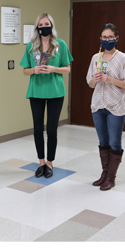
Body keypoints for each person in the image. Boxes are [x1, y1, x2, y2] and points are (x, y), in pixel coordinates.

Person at [20, 13, 74, 179]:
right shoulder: (31, 46)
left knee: (51, 129)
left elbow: (67, 68)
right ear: (37, 27)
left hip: (55, 92)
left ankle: (50, 163)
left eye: (47, 24)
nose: (44, 27)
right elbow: (24, 70)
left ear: (52, 25)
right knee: (37, 129)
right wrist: (34, 70)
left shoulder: (60, 45)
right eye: (41, 24)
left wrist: (53, 69)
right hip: (36, 91)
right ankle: (41, 162)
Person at [86, 23, 125, 191]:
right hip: (98, 105)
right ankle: (104, 173)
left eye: (110, 37)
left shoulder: (123, 58)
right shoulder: (95, 58)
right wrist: (96, 78)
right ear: (100, 39)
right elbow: (90, 83)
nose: (107, 40)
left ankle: (111, 178)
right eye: (104, 37)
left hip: (116, 107)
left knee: (114, 142)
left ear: (116, 38)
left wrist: (110, 79)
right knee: (102, 141)